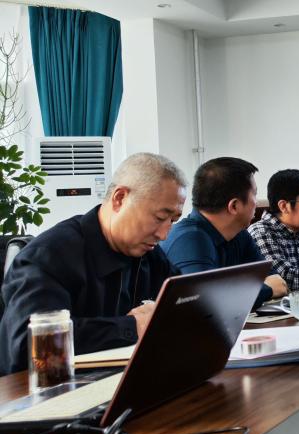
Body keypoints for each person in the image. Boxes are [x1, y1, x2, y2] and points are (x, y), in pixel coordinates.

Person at [0, 153, 187, 375]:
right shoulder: (48, 256)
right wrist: (131, 327)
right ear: (120, 198)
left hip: (122, 380)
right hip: (49, 389)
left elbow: (183, 305)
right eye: (159, 218)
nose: (164, 234)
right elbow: (29, 345)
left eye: (173, 221)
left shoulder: (150, 255)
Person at [161, 157, 287, 308]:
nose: (257, 202)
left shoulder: (239, 234)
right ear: (234, 206)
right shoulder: (188, 240)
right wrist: (267, 290)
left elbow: (276, 281)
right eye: (254, 194)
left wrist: (236, 292)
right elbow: (203, 301)